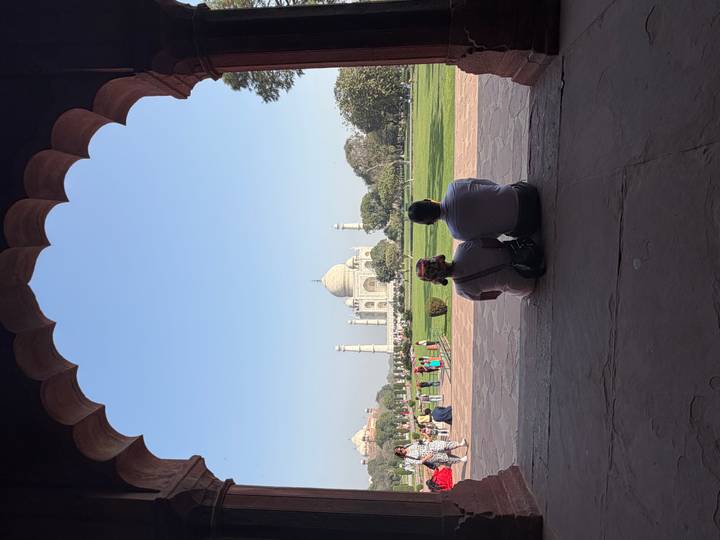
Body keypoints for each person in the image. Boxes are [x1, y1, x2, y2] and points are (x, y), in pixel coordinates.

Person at [415, 238, 544, 302]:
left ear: (437, 281)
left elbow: (493, 295)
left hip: (525, 284)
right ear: (438, 258)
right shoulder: (462, 249)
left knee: (510, 288)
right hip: (524, 250)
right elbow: (495, 243)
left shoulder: (462, 290)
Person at [407, 178, 541, 240]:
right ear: (428, 200)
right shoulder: (453, 187)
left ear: (430, 223)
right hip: (526, 195)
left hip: (525, 225)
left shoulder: (456, 232)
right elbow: (488, 184)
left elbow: (491, 237)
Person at [394, 439, 468, 466]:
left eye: (400, 447)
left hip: (429, 446)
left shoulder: (407, 445)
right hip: (428, 456)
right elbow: (419, 462)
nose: (401, 449)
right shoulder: (407, 459)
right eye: (400, 451)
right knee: (446, 457)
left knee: (444, 445)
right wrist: (427, 457)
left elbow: (418, 443)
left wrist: (426, 440)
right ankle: (461, 460)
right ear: (400, 454)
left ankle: (460, 444)